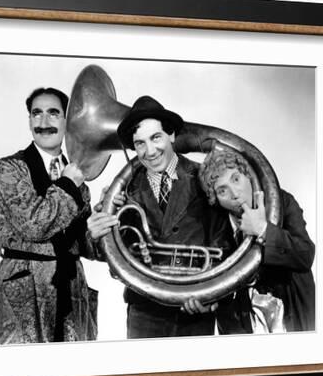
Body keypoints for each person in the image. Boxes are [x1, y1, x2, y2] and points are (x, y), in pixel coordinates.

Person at [87, 95, 231, 339]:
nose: (150, 151)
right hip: (144, 312)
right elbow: (111, 255)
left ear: (172, 135)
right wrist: (97, 233)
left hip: (195, 307)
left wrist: (212, 296)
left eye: (156, 138)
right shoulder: (123, 190)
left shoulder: (204, 177)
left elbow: (224, 245)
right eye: (140, 143)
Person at [0, 87, 98, 345]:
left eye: (53, 113)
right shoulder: (8, 169)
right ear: (29, 121)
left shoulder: (78, 178)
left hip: (71, 290)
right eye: (36, 114)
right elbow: (34, 225)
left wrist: (102, 226)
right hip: (23, 289)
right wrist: (69, 185)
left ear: (68, 122)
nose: (44, 122)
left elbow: (84, 245)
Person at [185, 149, 315, 332]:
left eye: (236, 179)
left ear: (248, 176)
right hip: (241, 328)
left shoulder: (282, 202)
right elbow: (217, 282)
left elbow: (305, 255)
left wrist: (263, 229)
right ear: (216, 200)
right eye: (222, 191)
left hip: (289, 320)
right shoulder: (214, 225)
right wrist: (208, 302)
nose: (235, 194)